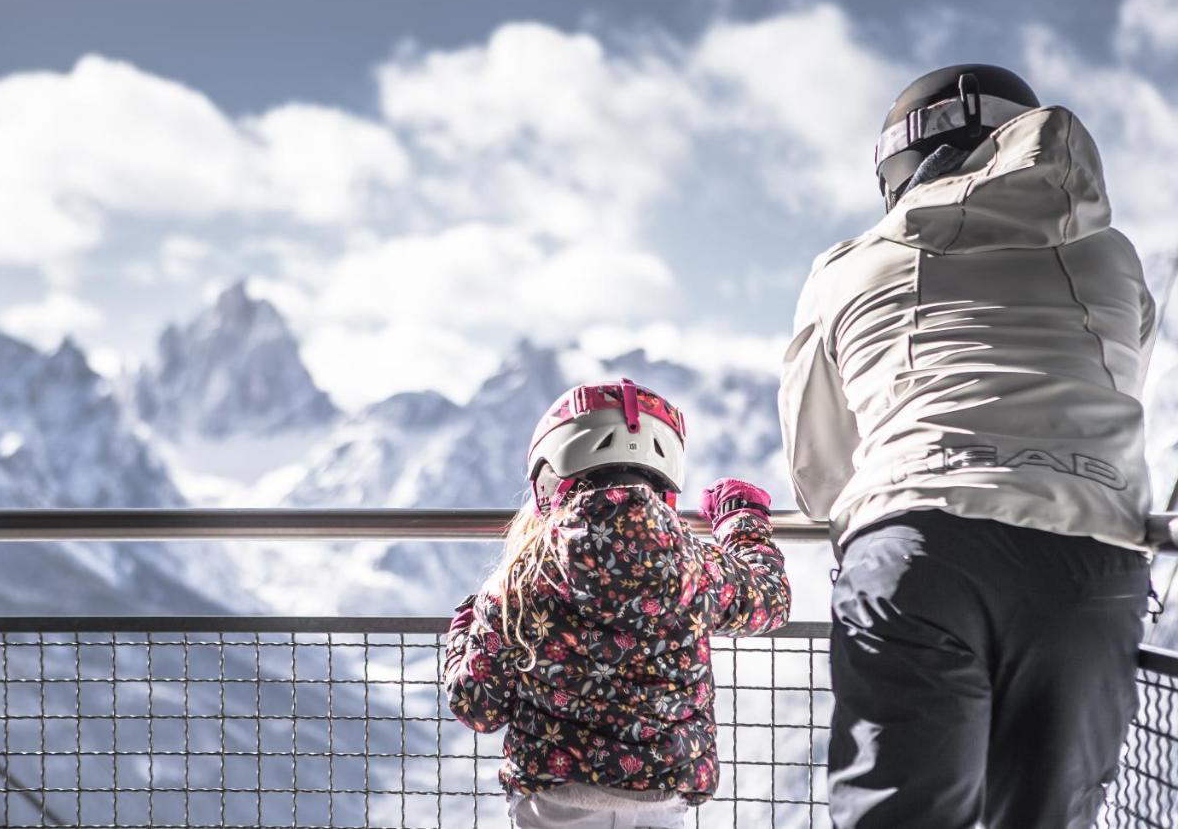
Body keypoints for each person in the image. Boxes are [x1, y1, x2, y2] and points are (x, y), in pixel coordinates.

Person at [779, 63, 1156, 828]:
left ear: (899, 164)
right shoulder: (1114, 259)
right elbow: (1120, 387)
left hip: (917, 548)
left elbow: (819, 474)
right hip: (1086, 555)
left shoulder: (848, 269)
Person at [442, 378, 791, 828]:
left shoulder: (520, 582)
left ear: (551, 474)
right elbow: (771, 599)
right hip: (659, 797)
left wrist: (465, 628)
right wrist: (740, 518)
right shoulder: (696, 568)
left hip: (552, 800)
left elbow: (478, 706)